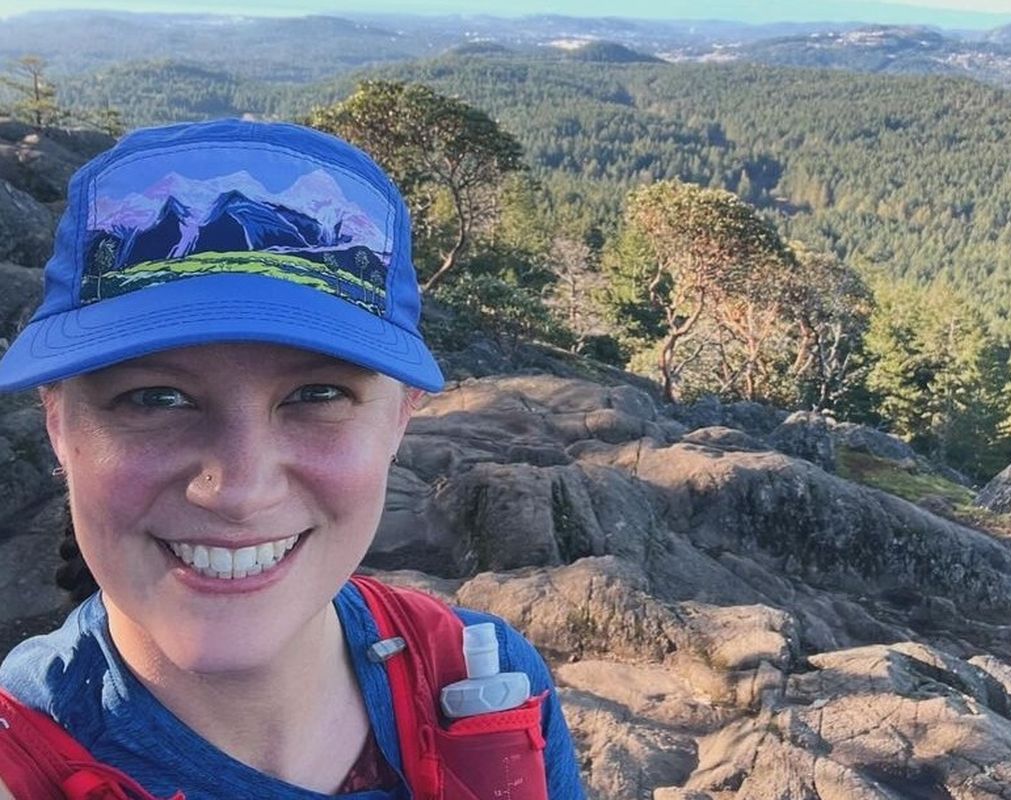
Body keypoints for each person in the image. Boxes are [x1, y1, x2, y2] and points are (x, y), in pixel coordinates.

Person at [0, 119, 585, 799]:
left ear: (400, 419)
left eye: (317, 394)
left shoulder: (483, 679)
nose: (239, 489)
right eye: (155, 398)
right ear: (57, 422)